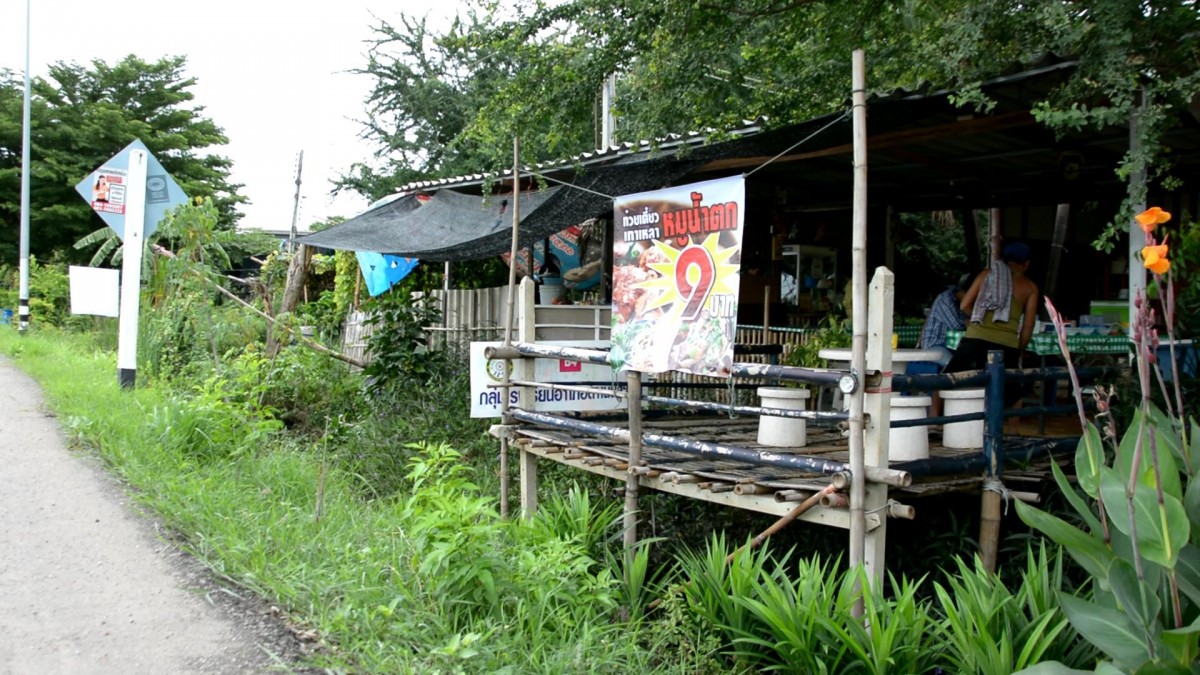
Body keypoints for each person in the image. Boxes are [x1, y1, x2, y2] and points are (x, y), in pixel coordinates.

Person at [945, 242, 1039, 410]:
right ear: (1026, 264)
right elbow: (1028, 325)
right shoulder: (1030, 287)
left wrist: (978, 318)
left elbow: (964, 305)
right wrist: (1019, 350)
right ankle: (1013, 431)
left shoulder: (986, 275)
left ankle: (934, 420)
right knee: (1012, 390)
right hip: (1006, 344)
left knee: (947, 378)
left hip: (975, 339)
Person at [916, 273, 971, 417]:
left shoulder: (957, 302)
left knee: (966, 364)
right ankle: (935, 416)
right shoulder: (946, 299)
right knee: (953, 367)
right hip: (934, 345)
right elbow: (957, 325)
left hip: (950, 346)